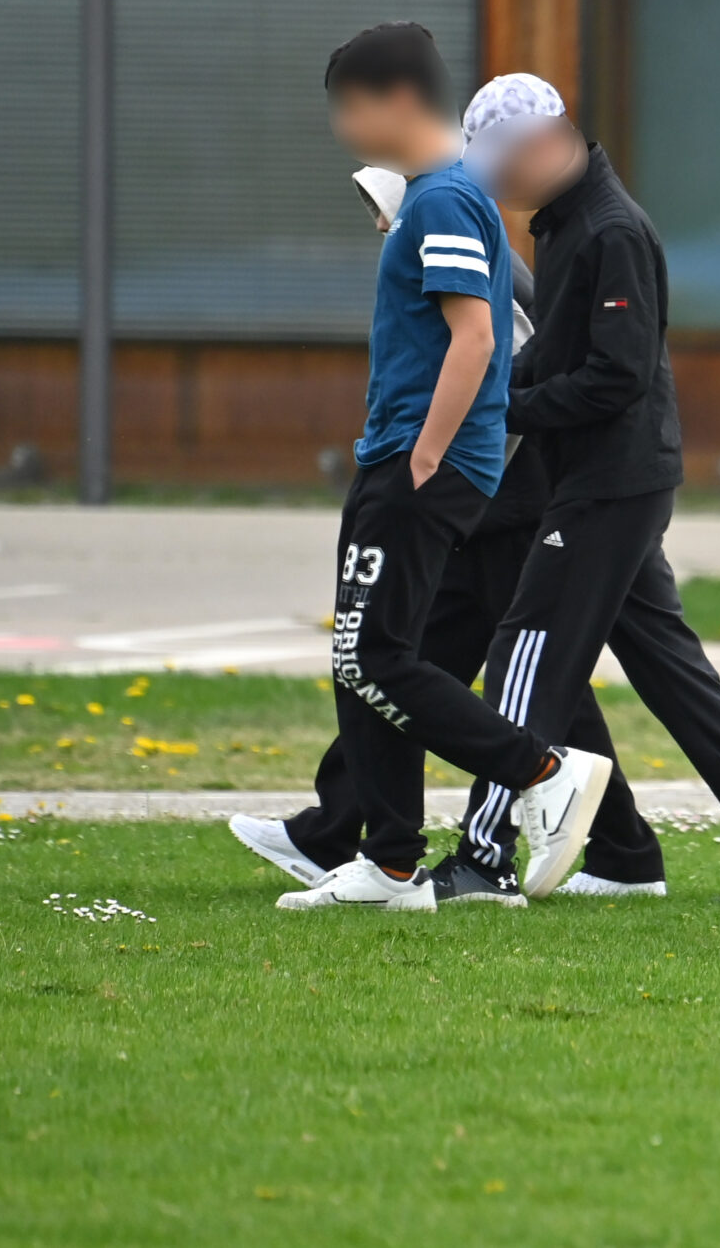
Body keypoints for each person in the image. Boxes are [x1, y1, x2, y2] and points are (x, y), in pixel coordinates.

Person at [444, 74, 720, 907]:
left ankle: (482, 855)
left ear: (540, 147)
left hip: (611, 482)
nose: (500, 187)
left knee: (520, 653)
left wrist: (501, 408)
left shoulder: (609, 230)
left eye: (502, 169)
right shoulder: (564, 224)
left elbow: (615, 378)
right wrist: (495, 395)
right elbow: (559, 354)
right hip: (607, 478)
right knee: (670, 669)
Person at [228, 168, 670, 904]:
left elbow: (498, 366)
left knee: (409, 661)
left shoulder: (457, 229)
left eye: (384, 209)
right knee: (401, 657)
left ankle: (526, 794)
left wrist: (435, 462)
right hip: (473, 490)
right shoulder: (453, 228)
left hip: (487, 493)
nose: (379, 225)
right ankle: (369, 837)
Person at [289, 23, 613, 910]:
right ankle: (389, 857)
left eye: (350, 110)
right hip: (402, 451)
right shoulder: (441, 194)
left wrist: (426, 452)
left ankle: (544, 770)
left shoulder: (441, 201)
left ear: (396, 102)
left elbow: (479, 334)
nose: (344, 129)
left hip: (420, 459)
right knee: (362, 656)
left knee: (380, 655)